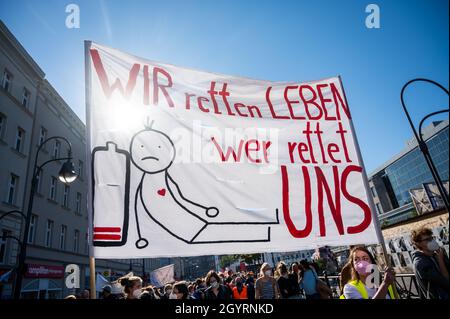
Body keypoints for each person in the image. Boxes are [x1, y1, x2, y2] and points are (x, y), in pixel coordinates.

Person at [411, 227, 449, 299]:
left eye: (432, 238)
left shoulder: (435, 255)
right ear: (419, 244)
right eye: (427, 239)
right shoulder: (420, 263)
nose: (432, 241)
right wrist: (440, 260)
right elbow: (445, 281)